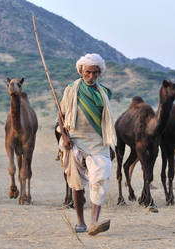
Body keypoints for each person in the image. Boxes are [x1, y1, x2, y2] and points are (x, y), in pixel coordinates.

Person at [58, 53, 116, 236]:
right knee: (77, 184)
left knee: (100, 178)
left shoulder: (104, 93)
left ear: (100, 73)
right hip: (75, 140)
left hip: (98, 142)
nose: (91, 77)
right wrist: (65, 137)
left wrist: (110, 144)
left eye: (95, 73)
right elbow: (61, 115)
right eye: (88, 72)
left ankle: (94, 223)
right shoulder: (71, 89)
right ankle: (81, 222)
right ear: (82, 71)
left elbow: (106, 121)